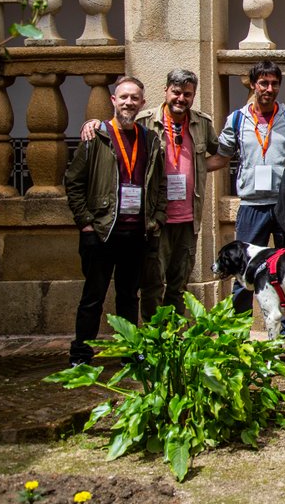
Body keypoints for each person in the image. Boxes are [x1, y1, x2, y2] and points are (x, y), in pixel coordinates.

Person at [64, 76, 166, 366]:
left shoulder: (150, 140)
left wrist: (157, 218)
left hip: (136, 233)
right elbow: (73, 182)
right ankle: (81, 355)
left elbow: (158, 184)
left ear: (142, 104)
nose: (128, 102)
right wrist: (85, 222)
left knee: (128, 297)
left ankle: (129, 352)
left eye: (134, 98)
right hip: (101, 231)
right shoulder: (96, 136)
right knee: (92, 297)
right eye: (123, 97)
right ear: (113, 100)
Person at [136, 69, 226, 319]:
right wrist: (92, 124)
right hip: (157, 220)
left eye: (187, 94)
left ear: (193, 95)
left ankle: (174, 337)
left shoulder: (201, 123)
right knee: (153, 285)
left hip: (188, 219)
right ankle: (155, 338)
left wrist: (199, 168)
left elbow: (221, 154)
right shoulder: (145, 122)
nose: (181, 98)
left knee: (179, 285)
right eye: (176, 92)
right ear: (166, 91)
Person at [216, 60, 285, 321]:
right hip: (251, 205)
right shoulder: (237, 119)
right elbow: (220, 156)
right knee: (243, 273)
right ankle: (238, 333)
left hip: (283, 206)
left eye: (274, 83)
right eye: (263, 83)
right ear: (253, 85)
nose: (269, 88)